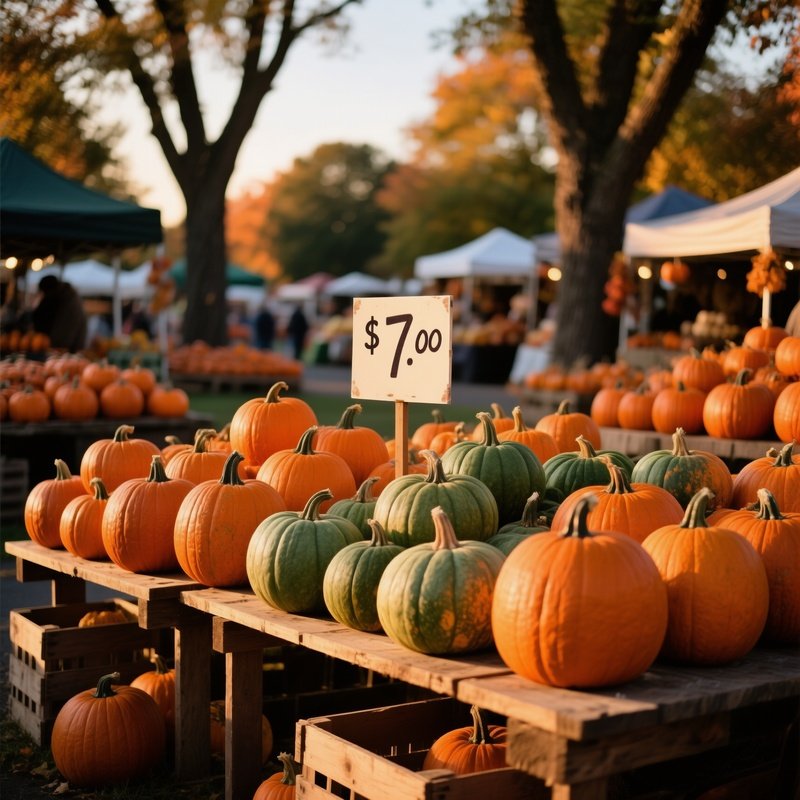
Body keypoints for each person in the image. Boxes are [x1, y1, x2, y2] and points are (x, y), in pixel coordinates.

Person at [31, 275, 87, 352]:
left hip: (67, 349)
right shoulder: (66, 296)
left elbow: (63, 333)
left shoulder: (67, 301)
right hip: (70, 347)